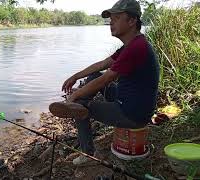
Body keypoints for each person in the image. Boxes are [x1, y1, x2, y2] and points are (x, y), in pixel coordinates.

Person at [49, 0, 160, 165]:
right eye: (110, 18)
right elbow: (101, 65)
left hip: (132, 114)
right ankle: (82, 104)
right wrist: (75, 76)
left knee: (79, 106)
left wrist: (75, 96)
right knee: (94, 75)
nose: (111, 22)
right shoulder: (131, 45)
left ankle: (88, 154)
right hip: (129, 101)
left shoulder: (136, 48)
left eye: (116, 18)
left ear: (132, 21)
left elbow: (108, 78)